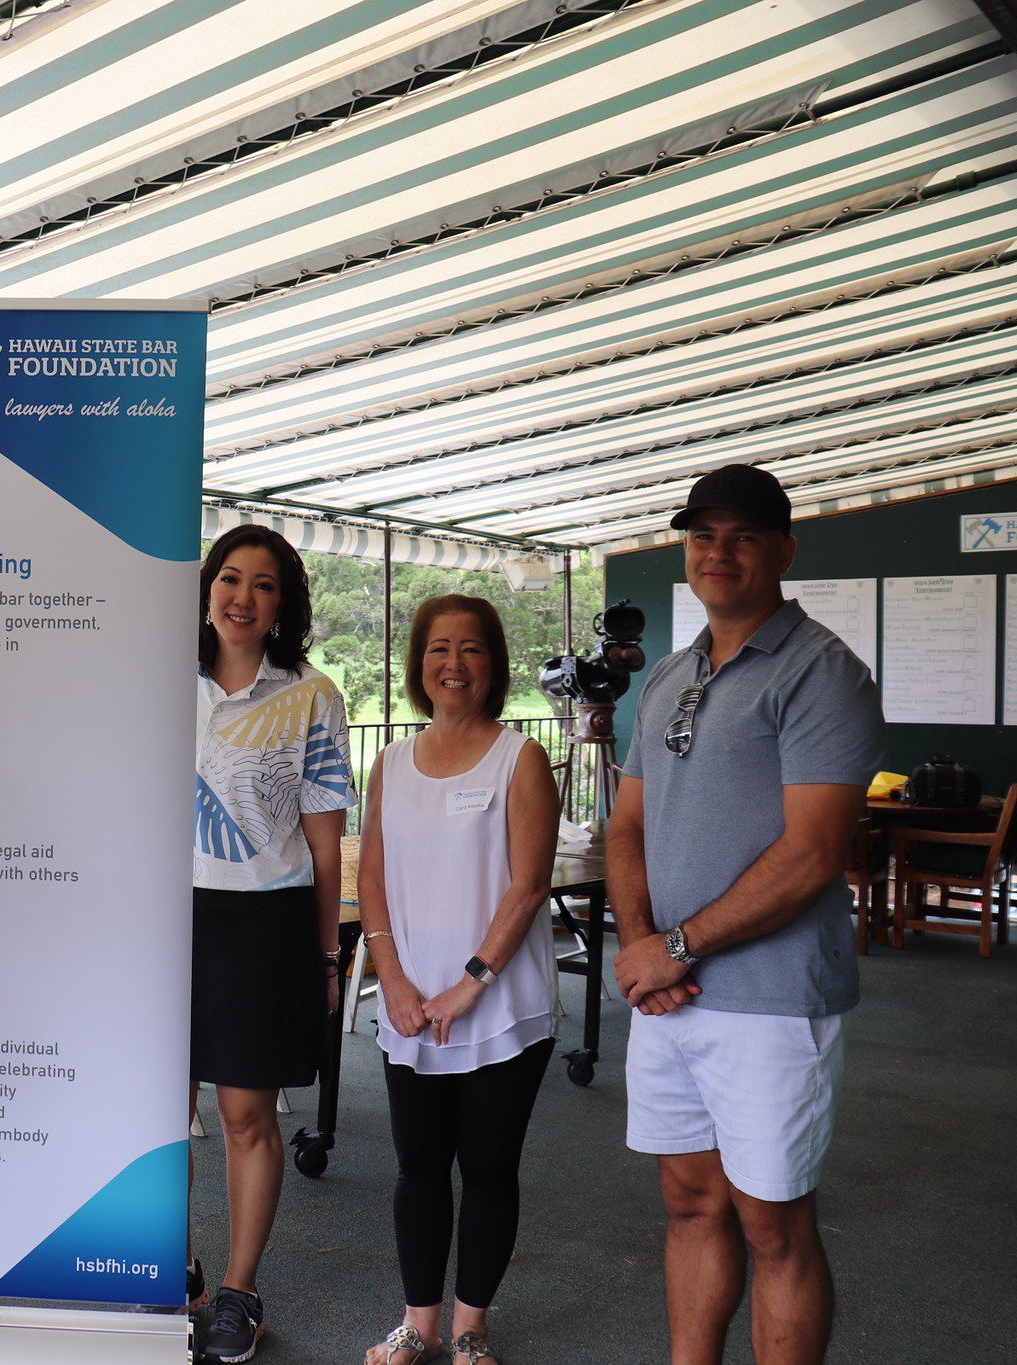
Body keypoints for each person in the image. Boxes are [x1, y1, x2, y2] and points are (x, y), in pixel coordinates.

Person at [609, 463, 882, 1365]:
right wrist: (643, 946)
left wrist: (675, 945)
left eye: (742, 536)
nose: (717, 553)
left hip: (770, 1000)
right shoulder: (670, 676)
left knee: (773, 1224)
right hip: (671, 1000)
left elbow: (810, 854)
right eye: (702, 536)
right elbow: (627, 825)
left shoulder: (823, 672)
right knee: (689, 1203)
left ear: (783, 552)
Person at [357, 595, 561, 1365]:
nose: (453, 663)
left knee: (486, 1169)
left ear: (494, 664)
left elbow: (529, 885)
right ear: (419, 665)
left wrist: (469, 983)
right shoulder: (391, 763)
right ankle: (420, 1324)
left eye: (471, 649)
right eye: (439, 648)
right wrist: (397, 981)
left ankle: (471, 1328)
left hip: (500, 1007)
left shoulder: (520, 757)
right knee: (416, 1166)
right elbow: (372, 875)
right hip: (410, 1009)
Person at [191, 523, 356, 1365]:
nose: (242, 597)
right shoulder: (155, 679)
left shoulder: (313, 695)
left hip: (262, 922)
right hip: (159, 919)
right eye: (229, 577)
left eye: (263, 584)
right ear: (207, 586)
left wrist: (327, 956)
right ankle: (171, 1274)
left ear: (283, 602)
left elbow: (327, 846)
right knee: (154, 1110)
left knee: (244, 1114)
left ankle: (239, 1289)